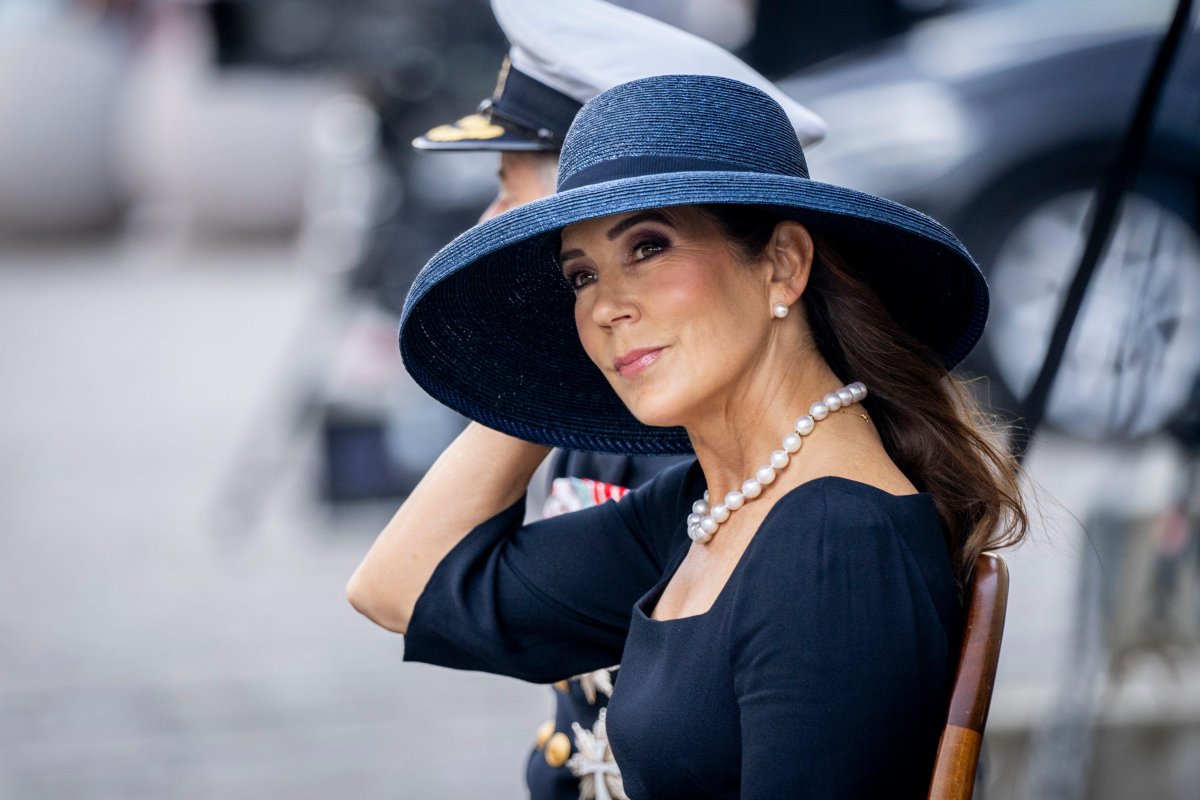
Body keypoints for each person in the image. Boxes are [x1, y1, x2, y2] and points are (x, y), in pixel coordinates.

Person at [351, 73, 1027, 798]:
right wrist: (535, 389)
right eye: (580, 276)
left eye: (647, 247)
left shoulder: (834, 542)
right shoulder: (710, 507)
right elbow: (402, 588)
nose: (608, 305)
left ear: (783, 263)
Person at [409, 2, 826, 796]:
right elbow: (400, 587)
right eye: (581, 268)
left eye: (514, 193)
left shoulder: (714, 450)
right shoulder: (672, 431)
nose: (489, 221)